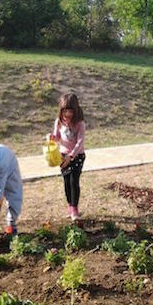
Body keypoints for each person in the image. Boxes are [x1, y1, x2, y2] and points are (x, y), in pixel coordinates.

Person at [48, 93, 86, 221]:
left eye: (70, 111)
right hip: (63, 156)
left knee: (73, 182)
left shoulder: (80, 123)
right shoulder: (59, 122)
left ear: (75, 110)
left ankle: (74, 209)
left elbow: (80, 142)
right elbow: (57, 137)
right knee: (66, 182)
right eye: (65, 111)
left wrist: (71, 156)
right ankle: (69, 205)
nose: (68, 114)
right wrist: (52, 137)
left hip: (77, 156)